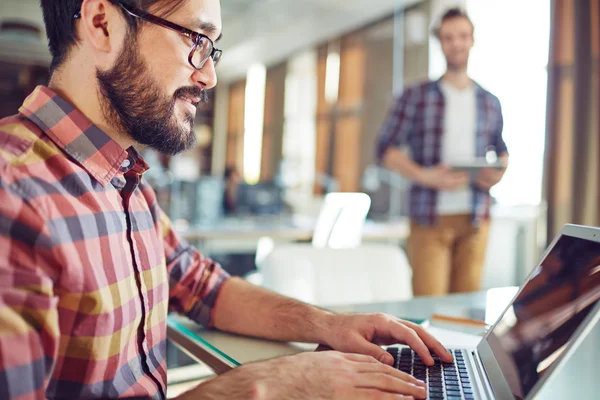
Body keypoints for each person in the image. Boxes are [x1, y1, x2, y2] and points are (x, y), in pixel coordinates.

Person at [0, 1, 453, 399]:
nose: (209, 76)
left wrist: (330, 325)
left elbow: (201, 286)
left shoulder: (124, 179)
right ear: (102, 23)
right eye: (196, 39)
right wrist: (263, 387)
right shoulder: (13, 195)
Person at [376, 7, 509, 297]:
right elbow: (385, 149)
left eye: (462, 36)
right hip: (429, 218)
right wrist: (425, 176)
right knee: (429, 304)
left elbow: (501, 151)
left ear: (472, 40)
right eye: (449, 37)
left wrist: (496, 173)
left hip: (475, 218)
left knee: (467, 308)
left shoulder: (490, 101)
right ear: (440, 43)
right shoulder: (416, 96)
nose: (456, 43)